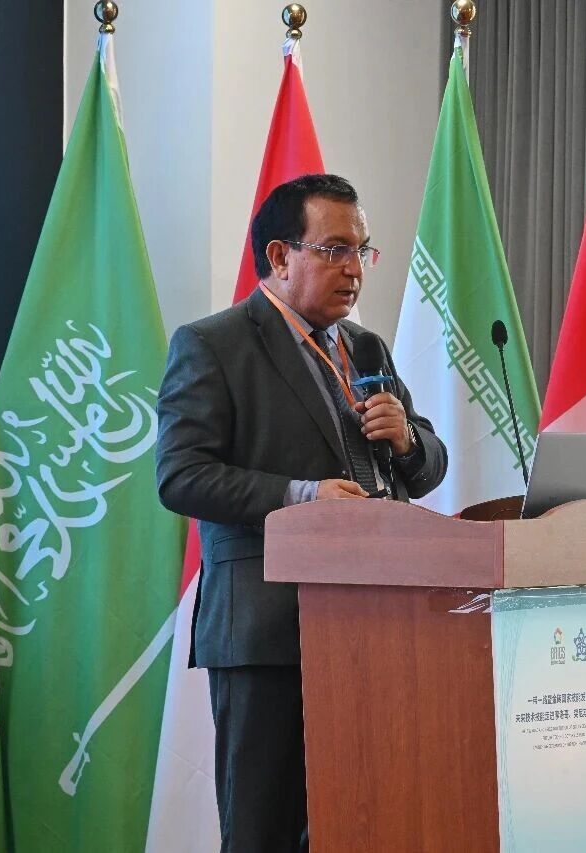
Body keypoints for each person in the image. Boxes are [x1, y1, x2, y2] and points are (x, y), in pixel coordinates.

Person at [155, 173, 447, 852]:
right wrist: (304, 497)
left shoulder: (365, 348)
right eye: (335, 249)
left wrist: (407, 438)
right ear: (281, 256)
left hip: (375, 623)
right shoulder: (214, 345)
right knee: (265, 831)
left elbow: (428, 469)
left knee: (362, 824)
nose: (355, 269)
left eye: (362, 251)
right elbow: (181, 475)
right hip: (267, 629)